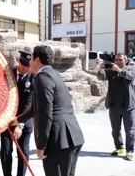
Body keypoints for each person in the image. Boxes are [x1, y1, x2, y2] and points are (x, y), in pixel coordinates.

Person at [29, 45, 85, 176]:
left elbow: (45, 113)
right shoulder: (54, 74)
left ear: (37, 60)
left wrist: (41, 146)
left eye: (31, 59)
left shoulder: (42, 77)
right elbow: (37, 108)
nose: (29, 62)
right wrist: (17, 120)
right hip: (71, 137)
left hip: (58, 141)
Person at [0, 50, 34, 176]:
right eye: (22, 64)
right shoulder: (9, 74)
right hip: (7, 120)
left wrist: (20, 124)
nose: (24, 68)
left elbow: (29, 104)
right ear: (19, 61)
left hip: (24, 121)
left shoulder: (33, 78)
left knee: (23, 152)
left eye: (27, 65)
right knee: (5, 150)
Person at [97, 53, 135, 161]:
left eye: (120, 59)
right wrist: (101, 70)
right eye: (116, 60)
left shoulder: (131, 69)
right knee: (115, 130)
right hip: (114, 106)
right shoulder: (111, 71)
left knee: (130, 130)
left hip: (128, 106)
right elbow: (101, 78)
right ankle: (119, 148)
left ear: (125, 61)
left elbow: (130, 77)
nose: (118, 61)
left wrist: (119, 70)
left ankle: (130, 151)